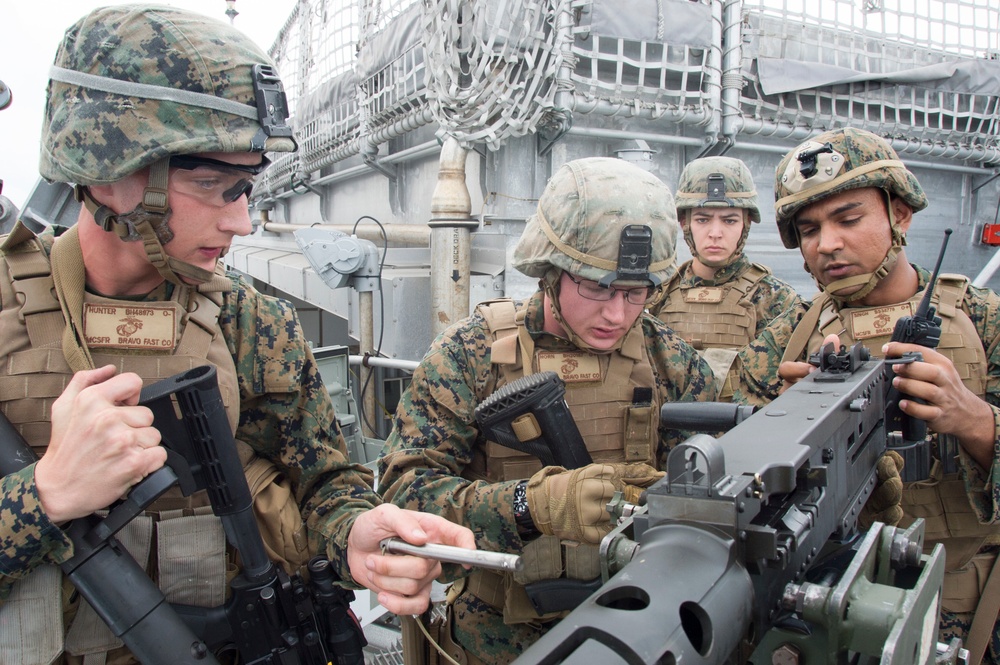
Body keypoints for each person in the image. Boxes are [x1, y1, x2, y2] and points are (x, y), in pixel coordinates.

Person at [0, 6, 474, 664]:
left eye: (246, 188)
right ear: (114, 172)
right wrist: (44, 493)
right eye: (214, 186)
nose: (244, 222)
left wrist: (358, 531)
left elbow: (326, 484)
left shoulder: (253, 324)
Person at [378, 157, 716, 665]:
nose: (616, 314)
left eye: (634, 293)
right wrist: (528, 506)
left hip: (636, 629)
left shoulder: (670, 361)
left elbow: (712, 494)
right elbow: (403, 500)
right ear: (552, 271)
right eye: (597, 287)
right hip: (496, 641)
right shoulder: (470, 356)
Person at [732, 127, 1000, 664]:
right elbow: (727, 482)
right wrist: (779, 426)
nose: (826, 243)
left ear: (899, 214)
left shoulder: (983, 321)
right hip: (821, 614)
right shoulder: (781, 342)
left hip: (963, 612)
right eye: (809, 229)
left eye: (848, 219)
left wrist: (975, 421)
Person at [650, 156, 800, 399]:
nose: (715, 233)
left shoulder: (777, 300)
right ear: (684, 223)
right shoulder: (658, 295)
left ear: (746, 224)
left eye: (729, 220)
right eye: (703, 219)